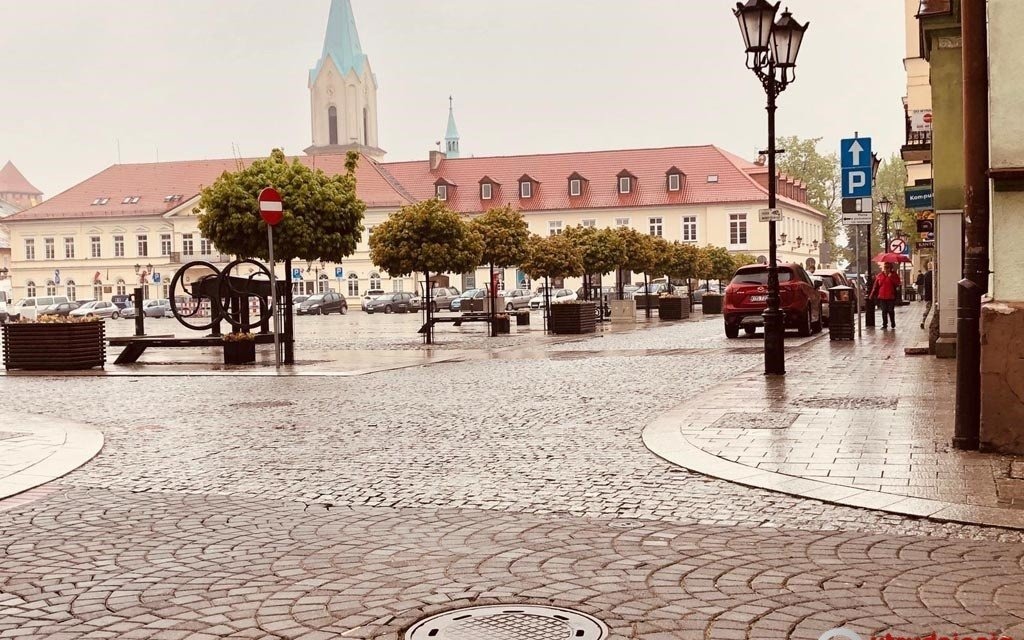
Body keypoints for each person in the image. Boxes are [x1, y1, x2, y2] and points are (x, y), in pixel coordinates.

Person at [870, 263, 901, 330]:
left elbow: (897, 283)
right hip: (882, 296)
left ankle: (892, 322)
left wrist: (891, 277)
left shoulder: (893, 275)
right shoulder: (880, 275)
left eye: (887, 267)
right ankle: (884, 324)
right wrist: (871, 295)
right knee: (884, 311)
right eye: (885, 267)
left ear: (890, 268)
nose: (886, 269)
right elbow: (875, 286)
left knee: (890, 310)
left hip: (890, 296)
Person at [919, 263, 934, 329]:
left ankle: (923, 321)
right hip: (933, 294)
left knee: (927, 308)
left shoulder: (926, 274)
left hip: (927, 295)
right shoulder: (933, 274)